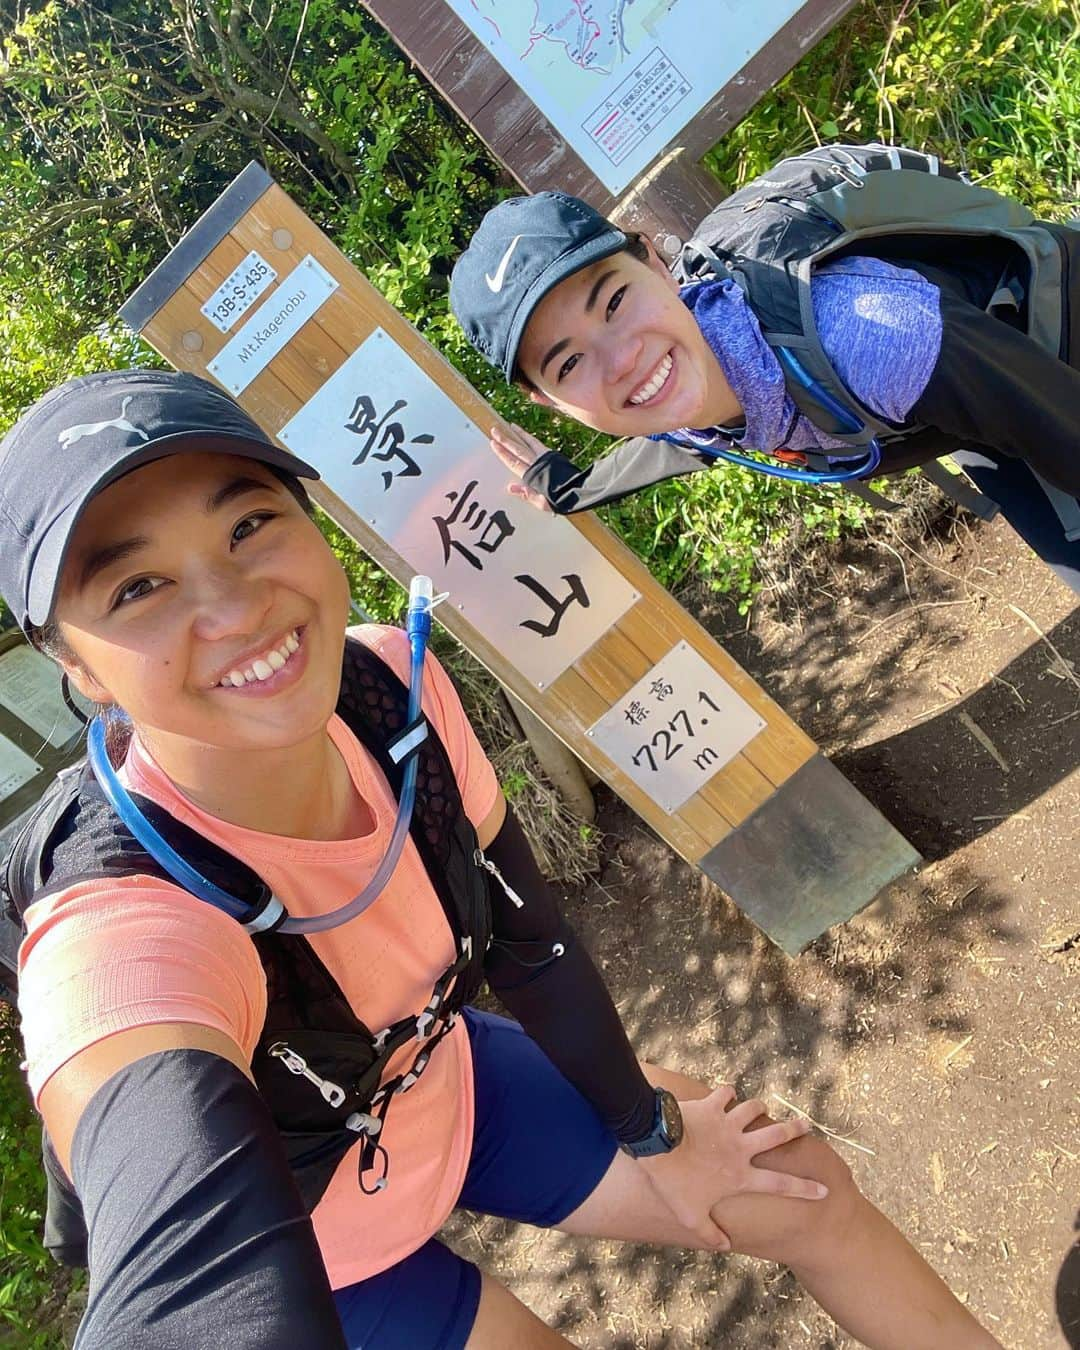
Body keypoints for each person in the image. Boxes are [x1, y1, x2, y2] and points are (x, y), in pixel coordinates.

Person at [1, 368, 1002, 1348]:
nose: (233, 604)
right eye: (138, 586)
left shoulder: (389, 684)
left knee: (799, 1186)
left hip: (436, 1076)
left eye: (251, 523)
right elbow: (177, 1254)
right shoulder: (121, 917)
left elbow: (529, 940)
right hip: (320, 1246)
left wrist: (649, 1130)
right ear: (76, 668)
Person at [449, 153, 1080, 596]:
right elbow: (674, 446)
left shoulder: (872, 337)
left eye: (613, 301)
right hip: (974, 404)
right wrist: (564, 488)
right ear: (550, 401)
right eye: (570, 362)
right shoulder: (687, 389)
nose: (624, 361)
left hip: (1045, 331)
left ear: (656, 265)